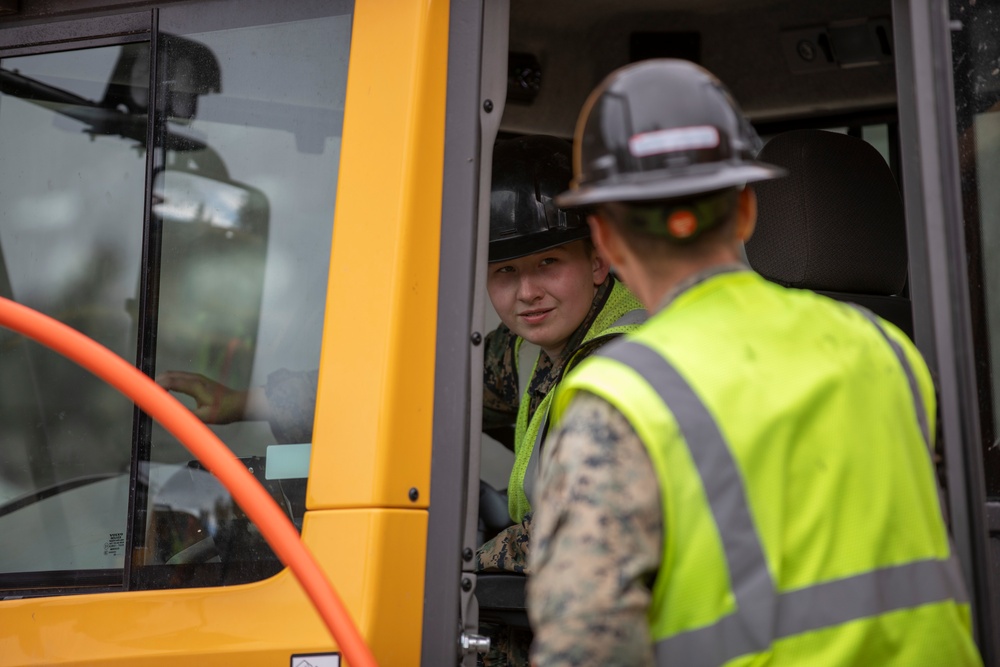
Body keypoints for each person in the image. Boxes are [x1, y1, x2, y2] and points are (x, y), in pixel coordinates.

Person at [526, 59, 982, 666]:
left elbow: (585, 645)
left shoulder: (620, 399)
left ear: (604, 241)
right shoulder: (891, 353)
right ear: (747, 208)